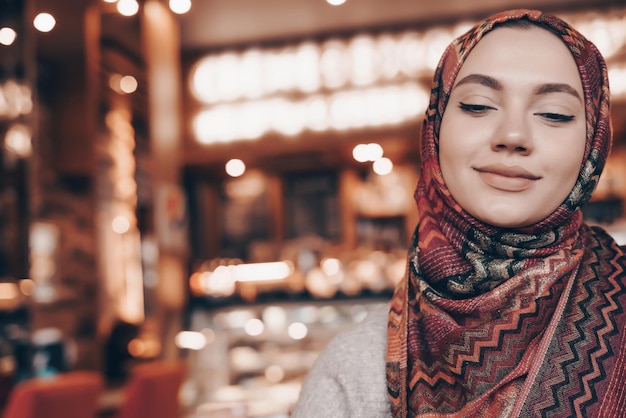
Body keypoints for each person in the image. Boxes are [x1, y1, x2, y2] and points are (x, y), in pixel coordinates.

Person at [292, 8, 626, 418]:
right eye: (478, 105)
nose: (513, 136)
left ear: (593, 142)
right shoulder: (353, 371)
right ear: (436, 127)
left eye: (554, 113)